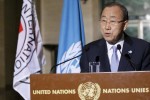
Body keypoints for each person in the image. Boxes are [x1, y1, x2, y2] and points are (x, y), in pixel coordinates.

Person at [80, 2, 150, 72]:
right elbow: (85, 81)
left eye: (112, 21)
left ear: (124, 25)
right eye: (104, 21)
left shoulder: (142, 49)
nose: (107, 27)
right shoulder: (89, 50)